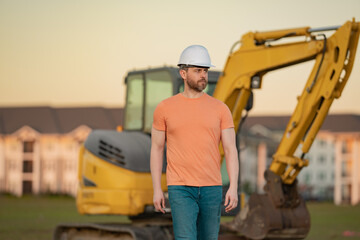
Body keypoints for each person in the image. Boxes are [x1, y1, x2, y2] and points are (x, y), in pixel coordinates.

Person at [150, 45, 239, 240]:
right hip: (180, 187)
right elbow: (156, 149)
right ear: (183, 73)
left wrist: (233, 186)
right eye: (197, 70)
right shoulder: (164, 108)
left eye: (205, 71)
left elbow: (231, 150)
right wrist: (157, 189)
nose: (203, 75)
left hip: (212, 188)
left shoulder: (221, 109)